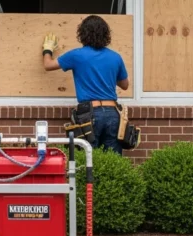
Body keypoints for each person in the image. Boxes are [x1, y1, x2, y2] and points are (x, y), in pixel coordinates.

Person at [41, 15, 129, 154]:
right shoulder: (115, 57)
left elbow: (48, 65)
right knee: (113, 160)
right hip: (113, 113)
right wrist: (107, 74)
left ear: (82, 34)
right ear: (106, 34)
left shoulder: (76, 55)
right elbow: (125, 85)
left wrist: (47, 49)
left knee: (88, 159)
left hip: (90, 114)